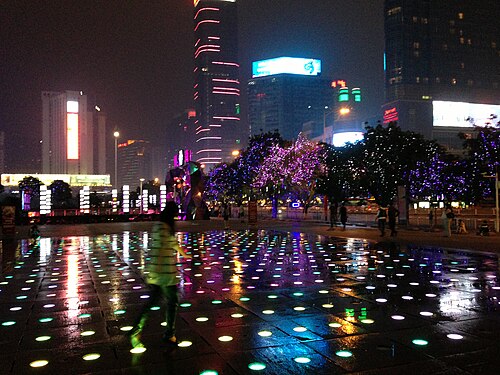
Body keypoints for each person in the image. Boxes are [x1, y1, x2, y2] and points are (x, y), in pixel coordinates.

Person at [129, 201, 191, 349]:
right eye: (175, 214)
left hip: (155, 272)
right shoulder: (166, 229)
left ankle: (136, 329)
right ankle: (169, 334)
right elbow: (171, 243)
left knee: (151, 303)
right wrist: (185, 255)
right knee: (172, 302)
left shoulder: (158, 226)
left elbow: (170, 244)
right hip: (165, 274)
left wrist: (184, 254)